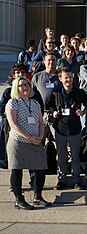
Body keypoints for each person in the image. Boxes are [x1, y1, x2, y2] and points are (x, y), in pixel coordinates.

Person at [6, 77, 51, 209]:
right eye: (21, 85)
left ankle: (37, 196)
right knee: (17, 170)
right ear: (16, 88)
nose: (25, 87)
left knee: (40, 168)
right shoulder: (13, 103)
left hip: (36, 141)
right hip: (18, 141)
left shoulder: (35, 103)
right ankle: (19, 199)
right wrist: (29, 137)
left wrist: (40, 136)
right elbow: (13, 124)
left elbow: (41, 123)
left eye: (27, 85)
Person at [49, 68, 87, 190]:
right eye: (66, 78)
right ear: (61, 79)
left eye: (71, 77)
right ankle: (61, 180)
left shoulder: (79, 92)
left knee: (75, 156)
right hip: (60, 128)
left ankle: (76, 180)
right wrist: (54, 113)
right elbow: (50, 106)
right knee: (61, 157)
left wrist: (82, 112)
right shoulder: (55, 93)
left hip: (75, 128)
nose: (69, 80)